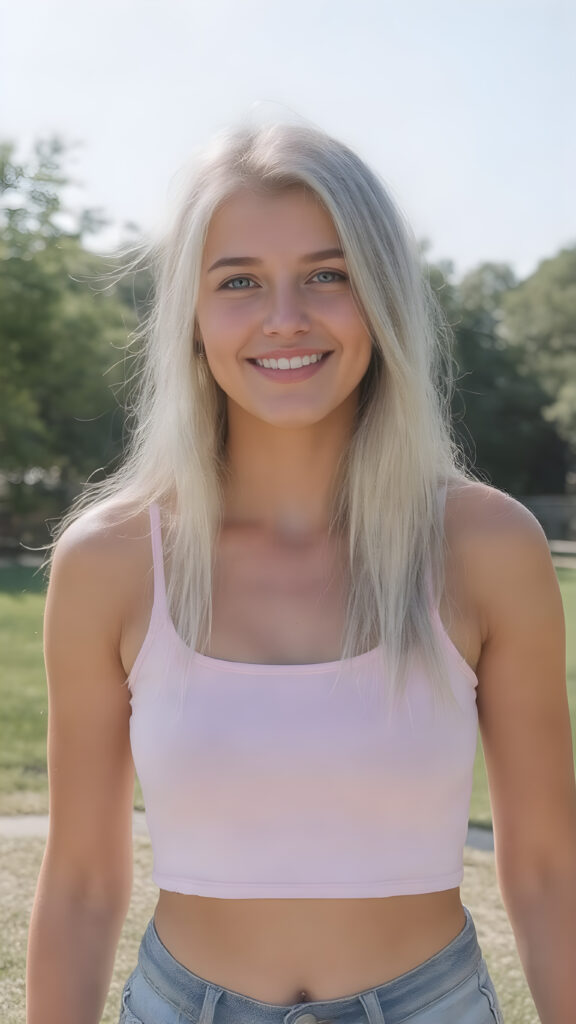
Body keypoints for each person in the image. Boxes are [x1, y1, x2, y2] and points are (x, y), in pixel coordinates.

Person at [26, 117, 576, 1024]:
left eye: (329, 274)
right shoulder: (112, 562)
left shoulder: (485, 547)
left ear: (383, 299)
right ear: (193, 319)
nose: (286, 316)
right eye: (239, 281)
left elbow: (551, 868)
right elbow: (83, 881)